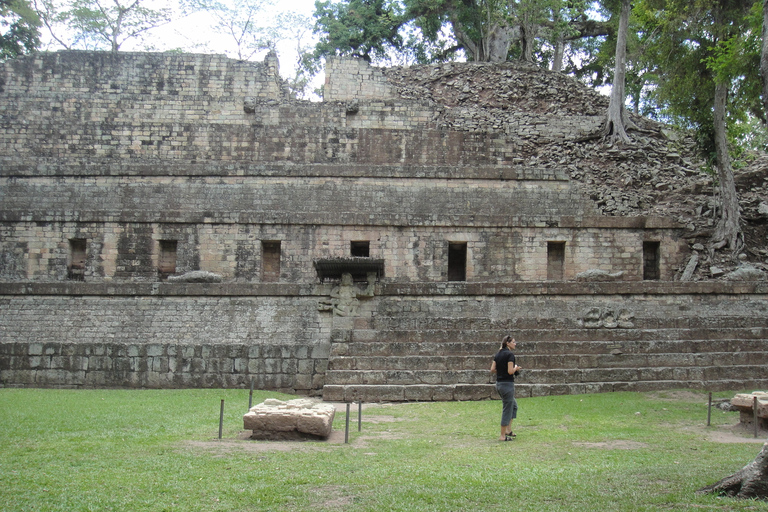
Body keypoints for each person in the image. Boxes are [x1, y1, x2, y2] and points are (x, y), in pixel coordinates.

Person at [490, 335, 521, 441]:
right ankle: (502, 436)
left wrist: (501, 371)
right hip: (507, 384)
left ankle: (508, 429)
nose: (515, 344)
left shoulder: (498, 354)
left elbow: (492, 369)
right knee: (507, 409)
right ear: (508, 343)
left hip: (499, 384)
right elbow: (510, 371)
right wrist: (516, 368)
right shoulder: (510, 355)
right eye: (513, 342)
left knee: (514, 406)